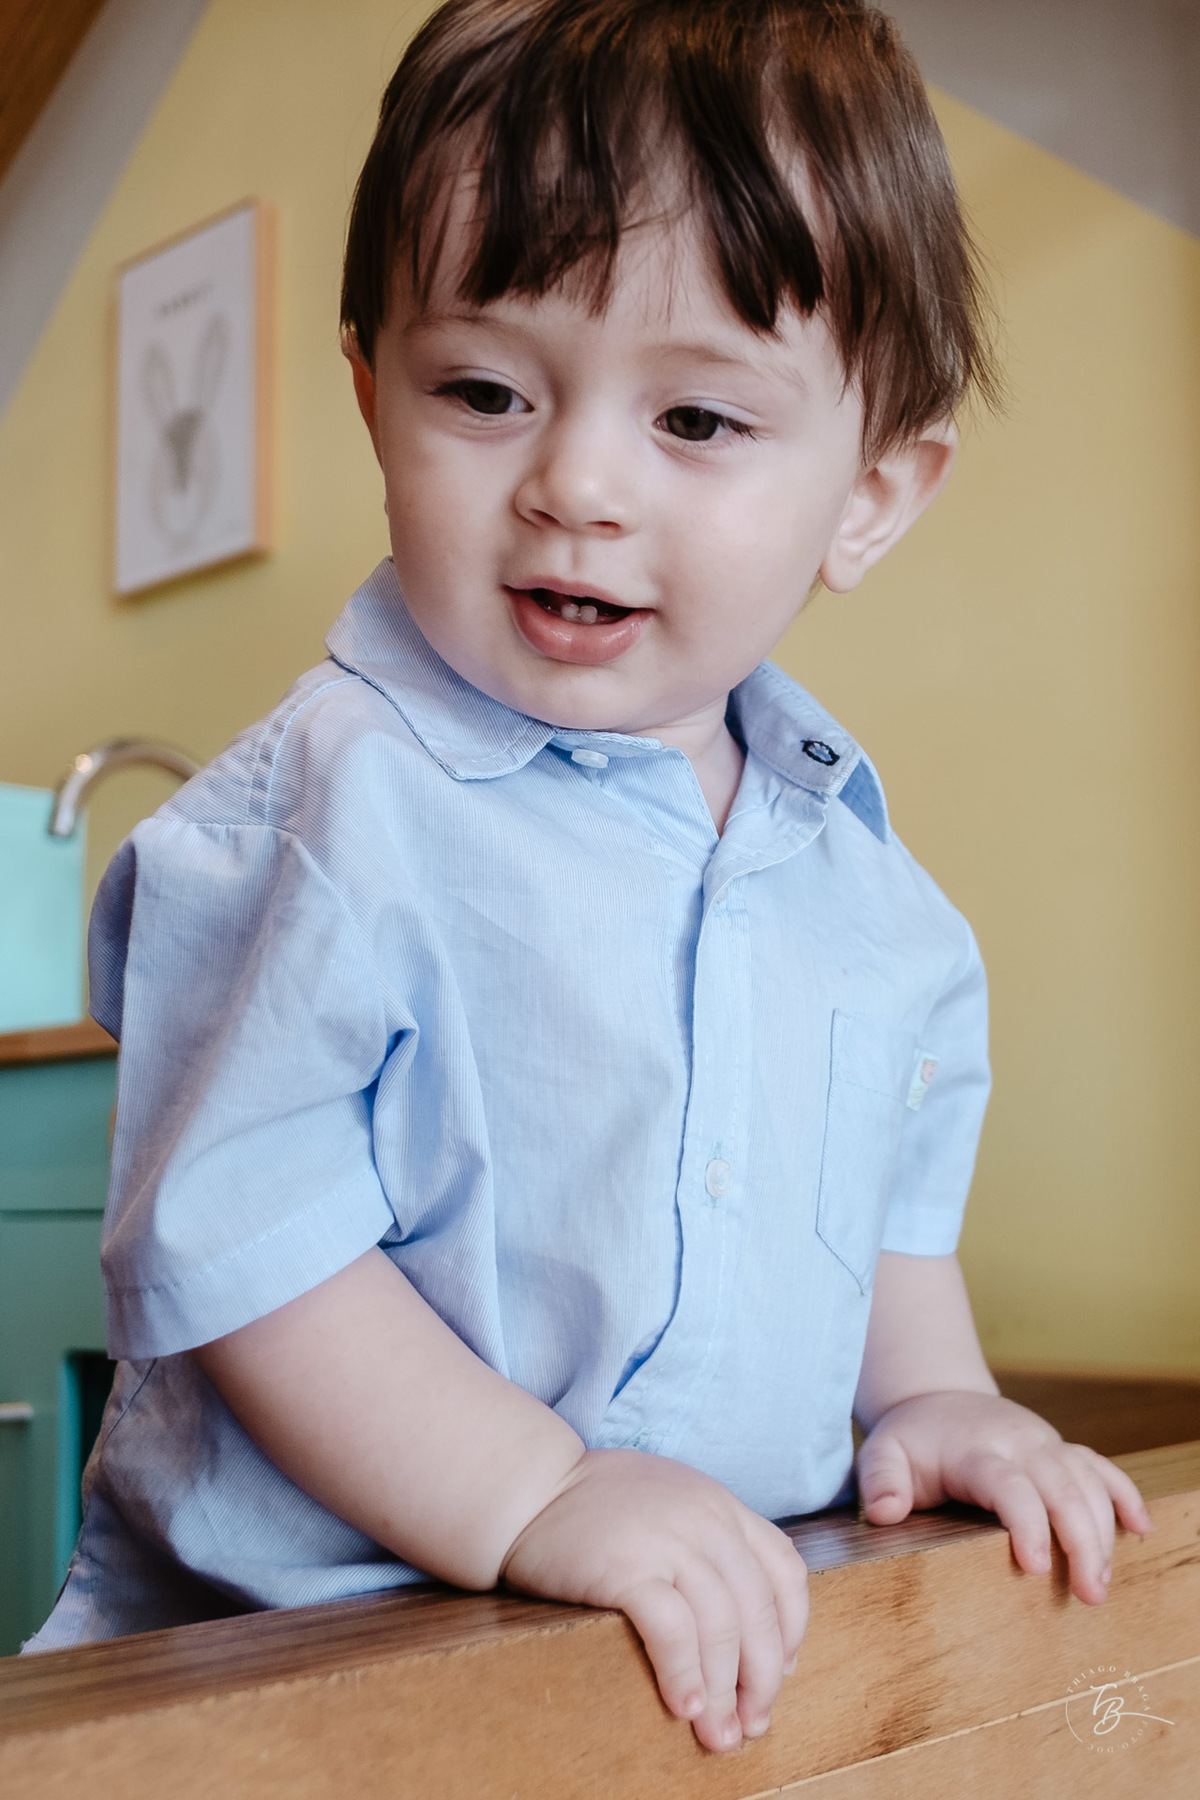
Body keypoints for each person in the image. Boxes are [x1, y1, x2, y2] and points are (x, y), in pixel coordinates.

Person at [29, 0, 1150, 1757]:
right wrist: (538, 1492)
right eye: (485, 392)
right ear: (373, 398)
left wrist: (939, 1398)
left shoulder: (884, 916)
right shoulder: (329, 808)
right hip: (301, 1689)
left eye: (696, 418)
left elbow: (880, 1221)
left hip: (707, 1661)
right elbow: (242, 1242)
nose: (575, 482)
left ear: (870, 496)